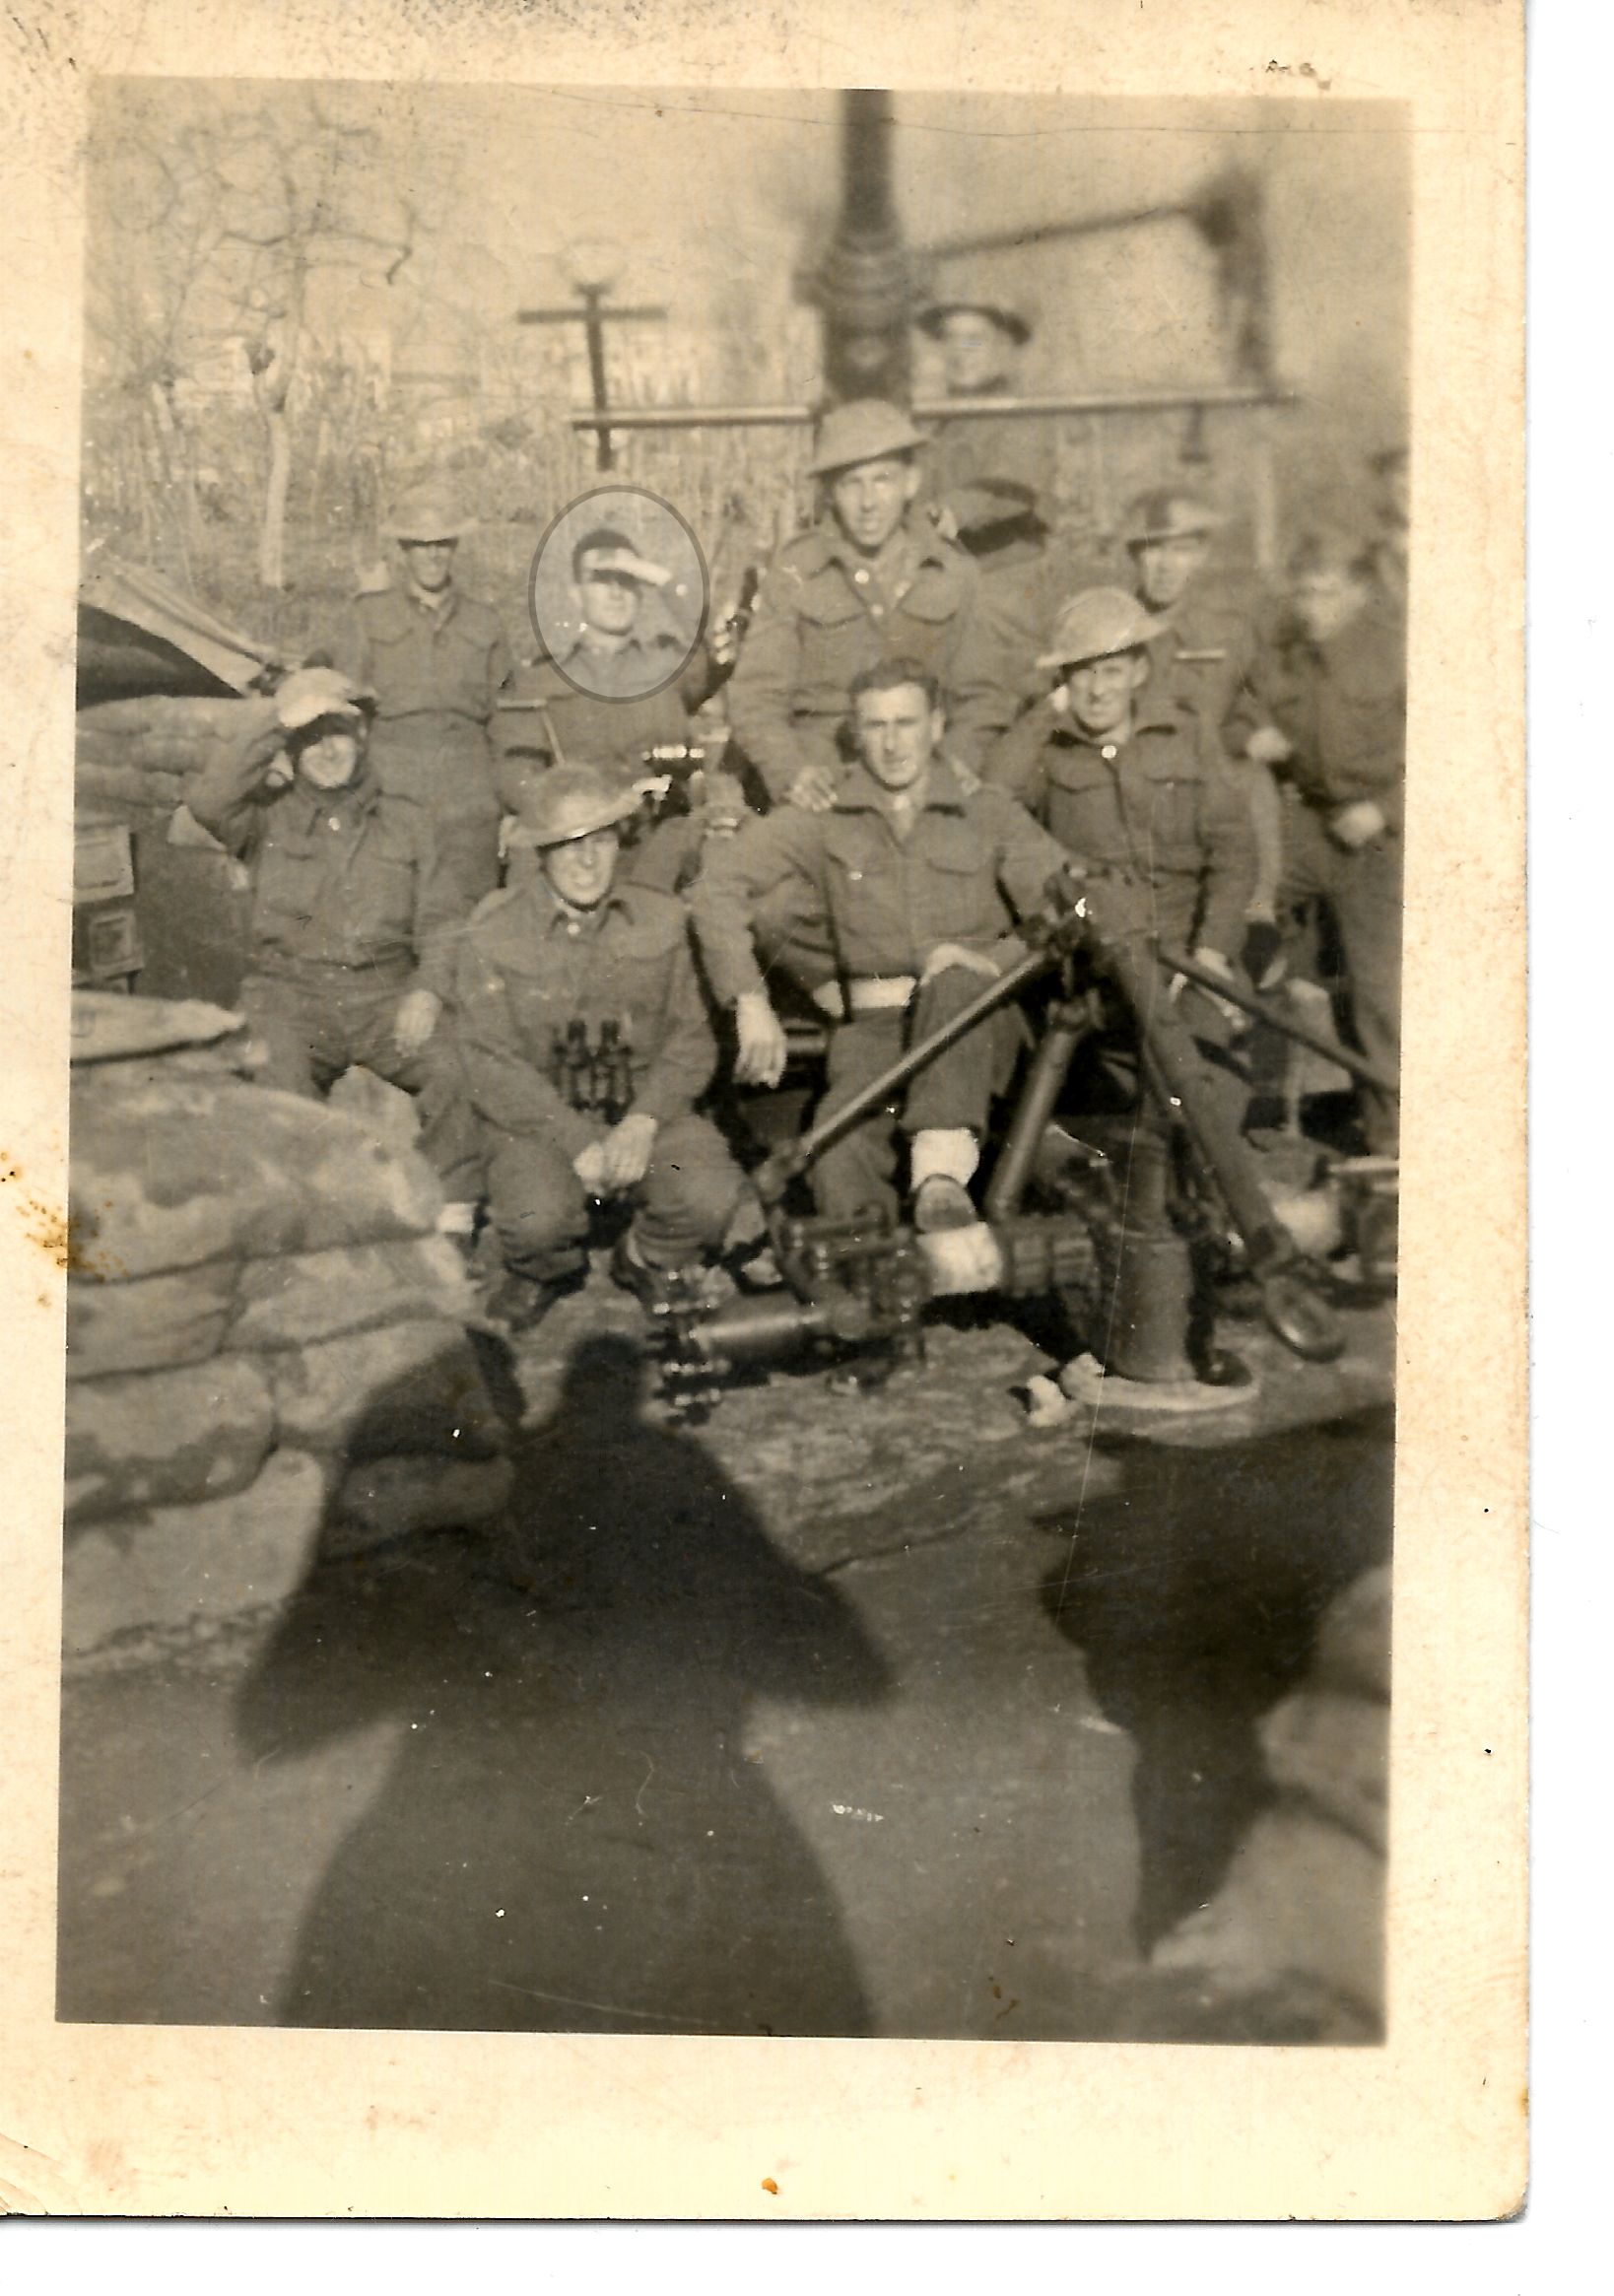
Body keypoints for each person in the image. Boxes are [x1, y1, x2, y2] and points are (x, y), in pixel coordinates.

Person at [692, 658, 1072, 1232]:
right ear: (856, 732)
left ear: (936, 726)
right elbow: (716, 886)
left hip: (979, 1022)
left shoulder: (987, 810)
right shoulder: (826, 817)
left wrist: (989, 962)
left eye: (907, 723)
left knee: (955, 984)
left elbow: (1068, 904)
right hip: (875, 1032)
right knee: (839, 1162)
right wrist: (748, 999)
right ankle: (882, 1274)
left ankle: (939, 1180)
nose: (893, 745)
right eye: (876, 726)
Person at [453, 764, 751, 1330]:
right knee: (534, 1222)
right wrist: (573, 1140)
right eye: (569, 845)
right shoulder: (494, 930)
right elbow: (491, 1062)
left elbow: (691, 1040)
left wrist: (643, 1120)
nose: (587, 860)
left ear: (620, 842)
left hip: (647, 1114)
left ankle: (645, 1257)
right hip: (542, 1121)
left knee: (711, 1198)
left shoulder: (662, 919)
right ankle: (546, 1271)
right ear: (542, 853)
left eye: (601, 840)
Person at [187, 668, 483, 1228]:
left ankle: (451, 1216)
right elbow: (207, 800)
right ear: (290, 748)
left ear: (362, 736)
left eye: (339, 734)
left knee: (458, 1063)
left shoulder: (407, 821)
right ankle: (311, 1222)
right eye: (310, 738)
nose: (327, 751)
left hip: (385, 993)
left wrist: (427, 991)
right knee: (275, 1078)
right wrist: (279, 718)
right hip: (289, 994)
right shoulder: (264, 817)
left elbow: (445, 921)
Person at [723, 399, 1016, 809]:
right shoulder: (797, 571)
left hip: (925, 781)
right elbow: (755, 697)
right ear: (830, 492)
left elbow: (984, 695)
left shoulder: (952, 571)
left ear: (911, 482)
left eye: (883, 480)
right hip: (825, 785)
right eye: (851, 483)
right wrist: (792, 773)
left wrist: (958, 761)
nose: (868, 502)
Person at [1245, 530, 1404, 1153]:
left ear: (1359, 592)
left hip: (1378, 837)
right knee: (1237, 922)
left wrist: (1384, 809)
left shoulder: (1397, 650)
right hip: (1309, 823)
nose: (1312, 608)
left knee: (1380, 995)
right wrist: (1256, 737)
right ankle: (1241, 1110)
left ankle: (1396, 1145)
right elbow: (1245, 712)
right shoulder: (1291, 653)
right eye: (1304, 593)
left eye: (1327, 593)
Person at [492, 525, 737, 893]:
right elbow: (517, 776)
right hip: (580, 847)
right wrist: (583, 809)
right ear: (576, 594)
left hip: (664, 846)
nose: (616, 591)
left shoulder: (669, 669)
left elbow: (721, 640)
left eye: (627, 580)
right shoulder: (542, 680)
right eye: (601, 579)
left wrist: (659, 577)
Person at [329, 486, 514, 905]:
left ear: (456, 547)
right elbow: (345, 715)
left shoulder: (486, 622)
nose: (433, 555)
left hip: (470, 800)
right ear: (403, 549)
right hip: (391, 796)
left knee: (465, 918)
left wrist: (509, 806)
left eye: (443, 543)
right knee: (388, 913)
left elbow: (507, 721)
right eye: (420, 544)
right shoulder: (367, 616)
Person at [1121, 486, 1284, 926]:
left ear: (1202, 555)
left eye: (1181, 550)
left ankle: (1259, 910)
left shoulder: (1231, 630)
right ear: (1134, 556)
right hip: (1141, 803)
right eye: (1152, 549)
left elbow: (1259, 709)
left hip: (1217, 800)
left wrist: (1251, 732)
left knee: (1251, 778)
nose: (1165, 565)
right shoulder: (1112, 628)